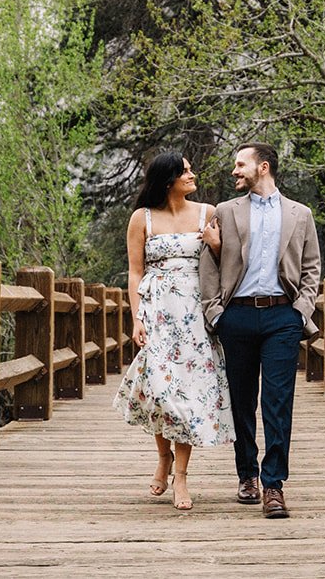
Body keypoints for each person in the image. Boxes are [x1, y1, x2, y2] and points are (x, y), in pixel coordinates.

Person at [200, 141, 321, 519]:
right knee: (241, 402)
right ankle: (247, 475)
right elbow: (209, 265)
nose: (234, 171)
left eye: (241, 164)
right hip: (236, 315)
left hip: (282, 317)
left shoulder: (300, 214)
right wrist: (216, 313)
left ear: (263, 167)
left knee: (277, 402)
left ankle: (273, 485)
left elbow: (312, 266)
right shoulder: (225, 211)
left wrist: (301, 310)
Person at [113, 151, 234, 511]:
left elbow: (226, 260)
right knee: (160, 391)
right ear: (168, 180)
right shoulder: (143, 218)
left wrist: (215, 244)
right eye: (185, 171)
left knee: (189, 395)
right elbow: (135, 272)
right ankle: (162, 456)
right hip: (158, 312)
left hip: (196, 314)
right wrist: (136, 319)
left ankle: (180, 476)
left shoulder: (208, 212)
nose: (192, 174)